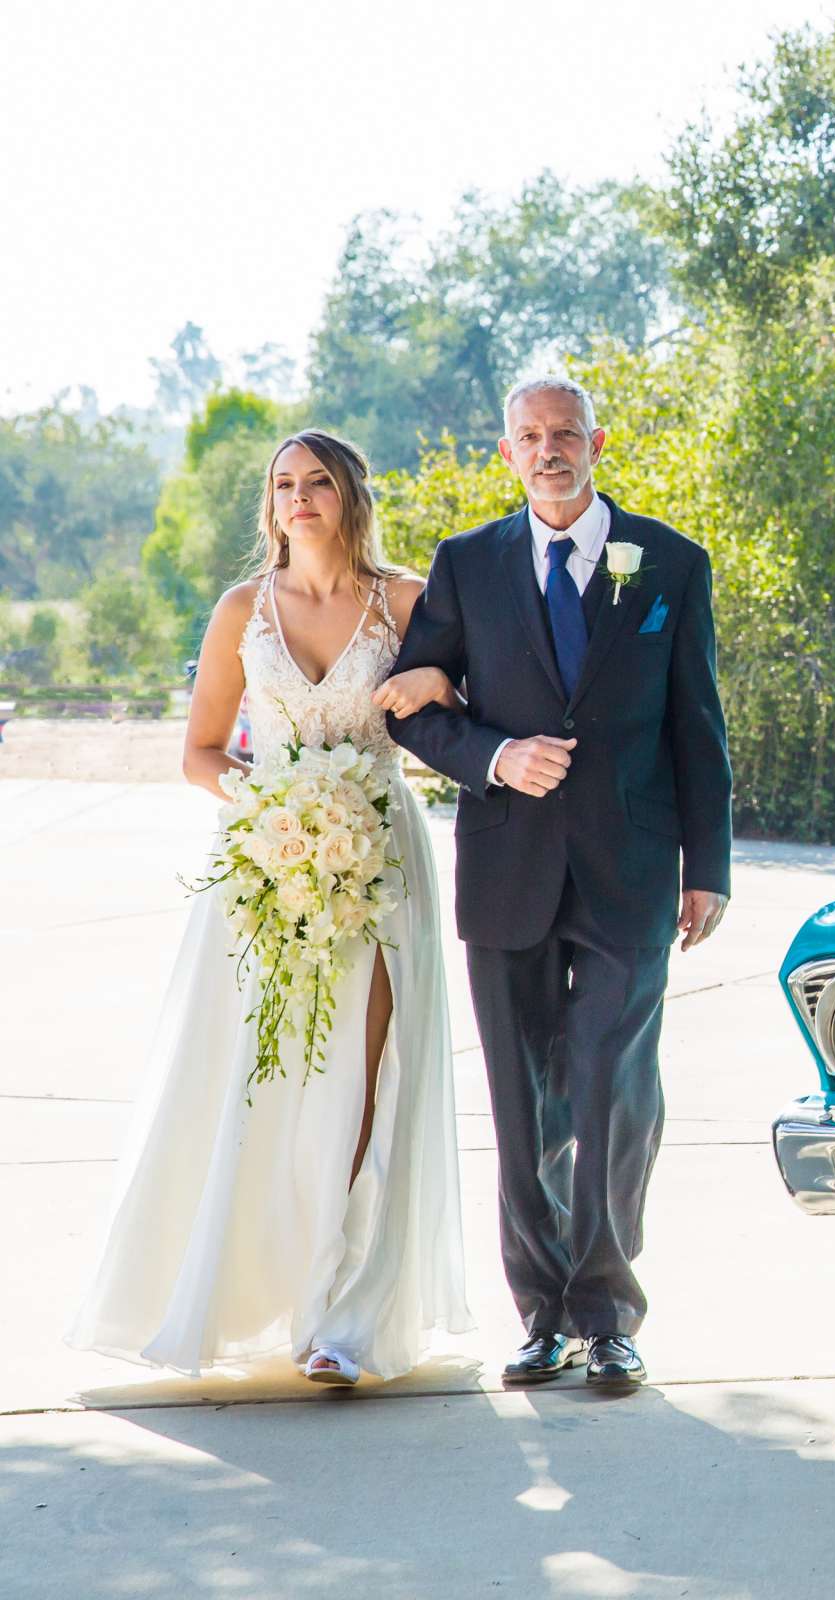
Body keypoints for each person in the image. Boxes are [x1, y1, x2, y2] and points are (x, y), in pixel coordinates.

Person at [68, 430, 475, 1386]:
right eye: (284, 485)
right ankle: (262, 1283)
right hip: (269, 866)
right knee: (268, 1084)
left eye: (318, 482)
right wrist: (275, 815)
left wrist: (440, 678)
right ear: (270, 504)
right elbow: (202, 751)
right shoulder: (242, 610)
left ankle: (343, 1314)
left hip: (382, 857)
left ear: (348, 495)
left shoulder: (410, 601)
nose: (300, 498)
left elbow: (466, 702)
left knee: (369, 1081)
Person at [387, 376, 731, 1390]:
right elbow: (415, 709)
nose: (550, 449)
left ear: (596, 443)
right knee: (523, 1103)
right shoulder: (466, 566)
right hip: (508, 871)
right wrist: (495, 756)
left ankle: (608, 1311)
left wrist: (705, 868)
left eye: (566, 433)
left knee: (613, 1091)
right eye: (531, 436)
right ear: (508, 453)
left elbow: (696, 726)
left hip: (630, 871)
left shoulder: (670, 562)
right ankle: (540, 1314)